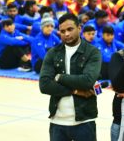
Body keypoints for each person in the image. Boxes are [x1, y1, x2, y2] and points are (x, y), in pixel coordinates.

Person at [39, 12, 102, 140]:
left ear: (79, 28)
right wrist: (75, 91)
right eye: (62, 31)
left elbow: (87, 81)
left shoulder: (92, 52)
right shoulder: (52, 53)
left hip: (84, 120)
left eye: (70, 29)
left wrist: (59, 77)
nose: (66, 34)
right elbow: (44, 85)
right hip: (57, 121)